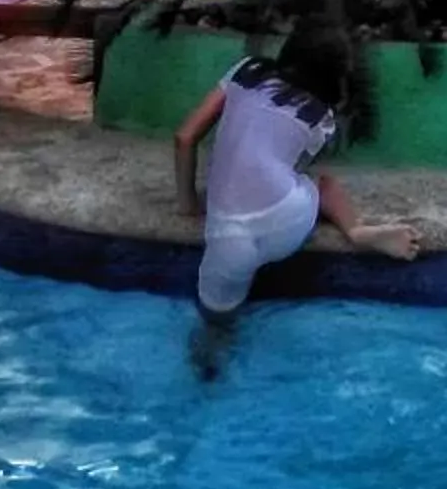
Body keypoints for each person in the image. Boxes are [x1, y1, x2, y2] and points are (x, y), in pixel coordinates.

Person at [174, 22, 419, 368]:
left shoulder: (246, 70)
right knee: (321, 184)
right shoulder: (320, 117)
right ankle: (357, 231)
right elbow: (294, 167)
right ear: (335, 76)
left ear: (289, 48)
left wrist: (187, 204)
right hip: (285, 224)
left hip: (227, 238)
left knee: (213, 334)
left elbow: (185, 138)